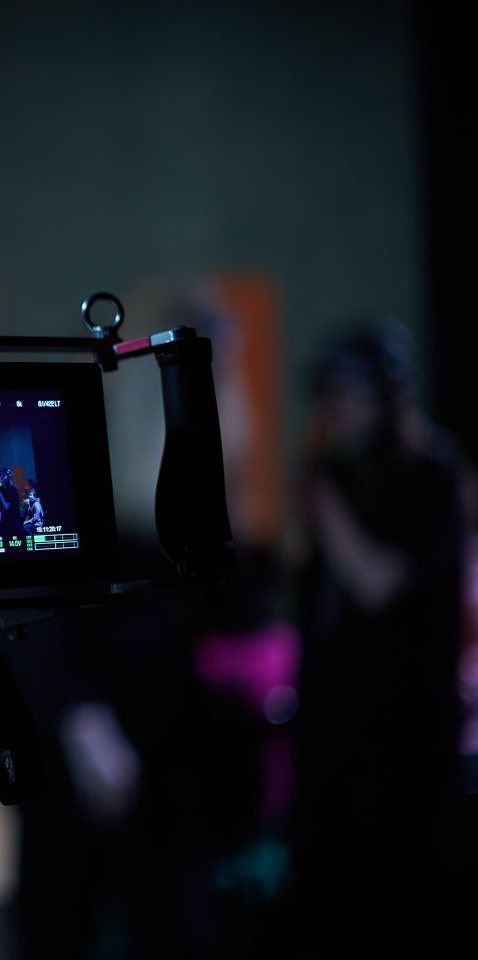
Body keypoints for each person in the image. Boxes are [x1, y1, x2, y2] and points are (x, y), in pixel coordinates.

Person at [294, 326, 467, 953]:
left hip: (408, 728)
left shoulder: (432, 476)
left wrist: (324, 501)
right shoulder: (342, 472)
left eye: (352, 393)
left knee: (407, 893)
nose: (339, 408)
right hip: (338, 724)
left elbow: (378, 584)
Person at [0, 468, 23, 539]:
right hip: (5, 522)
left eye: (3, 476)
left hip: (12, 523)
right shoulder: (2, 489)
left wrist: (0, 493)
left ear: (8, 477)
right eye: (0, 476)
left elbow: (7, 507)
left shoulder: (13, 489)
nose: (0, 478)